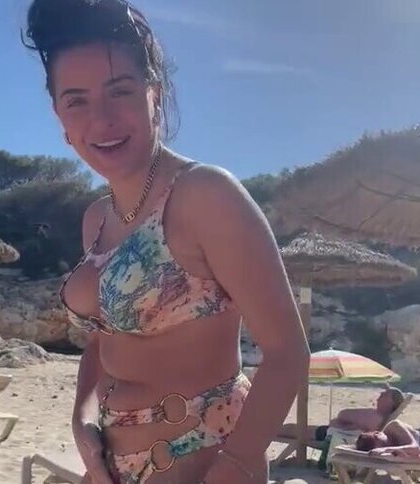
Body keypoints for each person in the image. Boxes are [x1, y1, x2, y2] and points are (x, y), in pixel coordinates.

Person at [23, 1, 309, 483]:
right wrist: (82, 419)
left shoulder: (204, 195)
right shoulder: (96, 218)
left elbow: (287, 352)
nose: (102, 119)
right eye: (77, 101)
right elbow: (103, 340)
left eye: (120, 91)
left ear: (154, 92)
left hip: (198, 460)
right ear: (60, 118)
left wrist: (234, 467)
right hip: (110, 467)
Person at [279, 387, 404, 442]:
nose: (379, 396)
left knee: (293, 429)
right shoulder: (383, 419)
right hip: (338, 434)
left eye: (384, 395)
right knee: (294, 428)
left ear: (391, 402)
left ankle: (269, 431)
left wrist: (343, 423)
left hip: (335, 436)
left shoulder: (376, 416)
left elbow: (343, 414)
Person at [356, 421, 420, 457]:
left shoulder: (394, 426)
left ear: (378, 433)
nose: (388, 445)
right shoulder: (391, 451)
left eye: (384, 444)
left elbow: (415, 448)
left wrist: (385, 449)